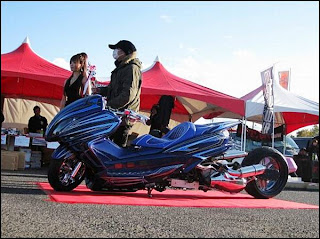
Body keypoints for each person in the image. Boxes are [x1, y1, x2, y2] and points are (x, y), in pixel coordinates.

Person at [94, 40, 142, 147]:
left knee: (117, 149)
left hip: (124, 117)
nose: (115, 52)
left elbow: (128, 95)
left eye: (117, 49)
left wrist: (108, 106)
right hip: (115, 115)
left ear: (126, 52)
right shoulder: (121, 68)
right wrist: (99, 91)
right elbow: (112, 88)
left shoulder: (131, 68)